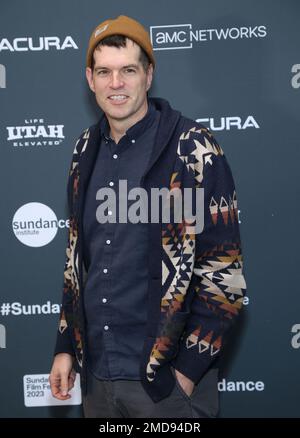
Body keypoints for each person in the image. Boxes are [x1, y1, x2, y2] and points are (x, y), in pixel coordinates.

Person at [49, 15, 246, 418]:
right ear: (90, 79)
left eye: (128, 71)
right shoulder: (83, 150)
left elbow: (224, 278)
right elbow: (77, 264)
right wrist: (66, 347)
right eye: (104, 71)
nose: (115, 84)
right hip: (98, 383)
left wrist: (185, 374)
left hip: (166, 389)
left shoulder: (192, 149)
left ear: (149, 74)